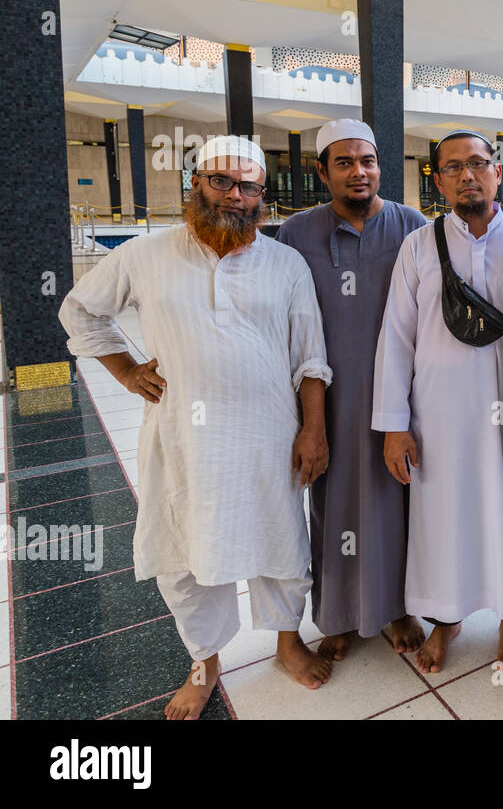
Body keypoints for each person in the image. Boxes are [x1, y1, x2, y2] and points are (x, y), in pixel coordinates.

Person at [59, 135, 333, 719]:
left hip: (268, 433)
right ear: (196, 185)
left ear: (262, 195)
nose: (235, 196)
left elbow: (310, 357)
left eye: (248, 187)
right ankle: (204, 660)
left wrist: (314, 430)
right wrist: (126, 370)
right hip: (183, 438)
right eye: (221, 182)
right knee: (186, 546)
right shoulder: (145, 255)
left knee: (281, 537)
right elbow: (80, 311)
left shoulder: (285, 263)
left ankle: (288, 641)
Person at [373, 129, 503, 674]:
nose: (468, 175)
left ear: (498, 172)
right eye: (453, 167)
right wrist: (395, 426)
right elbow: (396, 338)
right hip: (438, 416)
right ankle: (447, 620)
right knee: (443, 518)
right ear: (438, 181)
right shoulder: (419, 246)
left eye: (479, 163)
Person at [274, 119, 427, 663]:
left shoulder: (412, 226)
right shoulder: (296, 234)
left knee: (399, 502)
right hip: (328, 400)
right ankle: (338, 615)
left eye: (367, 161)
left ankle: (399, 608)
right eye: (344, 163)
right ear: (322, 172)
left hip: (399, 396)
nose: (358, 172)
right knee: (333, 506)